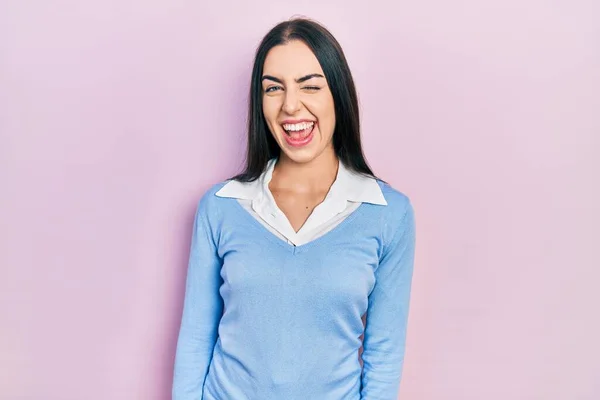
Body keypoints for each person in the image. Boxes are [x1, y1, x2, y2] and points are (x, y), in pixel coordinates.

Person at [172, 17, 416, 400]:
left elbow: (383, 356)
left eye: (310, 86)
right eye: (273, 88)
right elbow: (195, 338)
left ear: (338, 93)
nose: (290, 105)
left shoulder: (388, 213)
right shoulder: (221, 207)